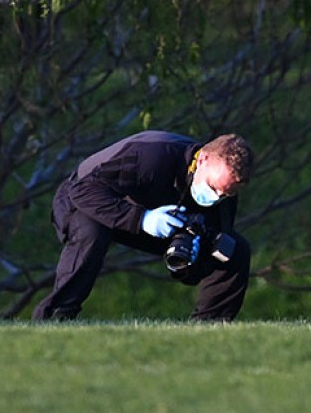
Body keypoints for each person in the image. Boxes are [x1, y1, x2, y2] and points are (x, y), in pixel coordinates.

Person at [34, 131, 255, 321]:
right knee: (92, 232)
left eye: (226, 194)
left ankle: (209, 329)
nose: (216, 197)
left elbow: (193, 273)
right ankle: (56, 316)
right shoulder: (151, 156)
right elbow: (83, 191)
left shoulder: (224, 198)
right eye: (212, 187)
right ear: (203, 159)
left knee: (234, 249)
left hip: (154, 218)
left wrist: (187, 262)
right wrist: (142, 219)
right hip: (86, 198)